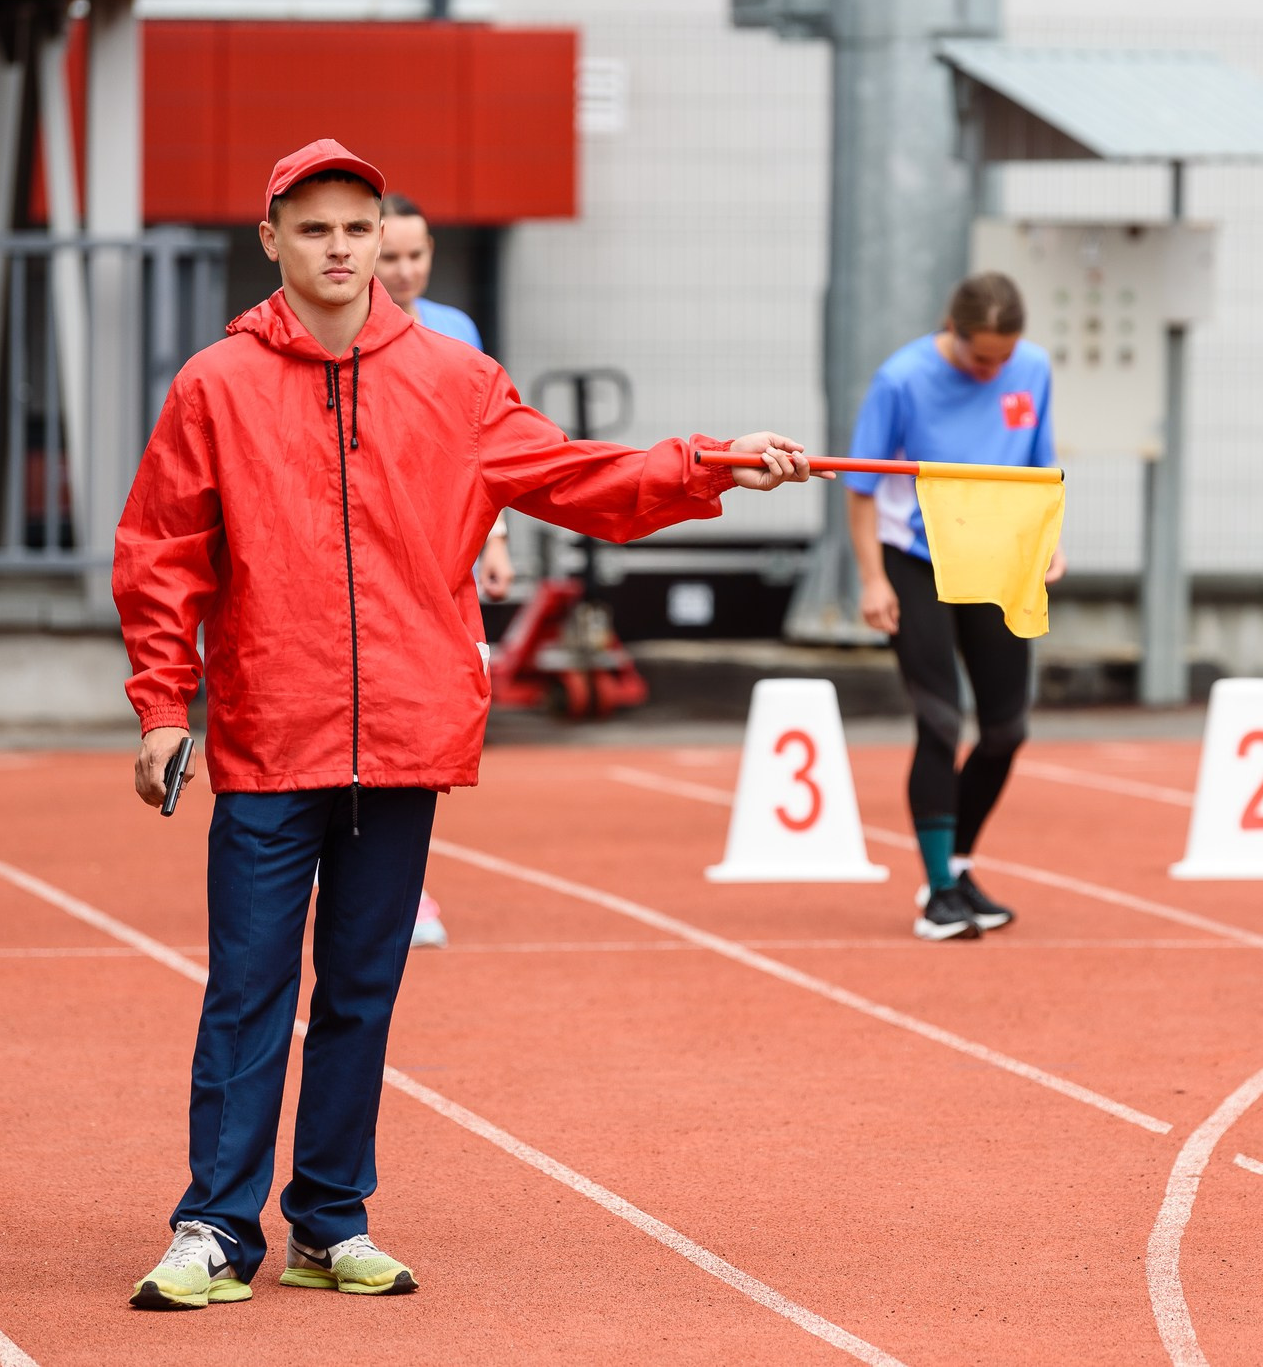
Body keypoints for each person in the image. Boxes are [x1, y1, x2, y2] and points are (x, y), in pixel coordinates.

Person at [117, 138, 814, 1311]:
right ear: (272, 240)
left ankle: (328, 1218)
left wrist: (708, 466)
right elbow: (160, 556)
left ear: (382, 240)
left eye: (358, 228)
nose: (340, 251)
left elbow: (580, 476)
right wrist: (156, 707)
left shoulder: (452, 379)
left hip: (404, 732)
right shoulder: (213, 386)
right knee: (247, 985)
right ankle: (214, 1224)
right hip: (267, 734)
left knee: (360, 988)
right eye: (316, 229)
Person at [845, 273, 1061, 943]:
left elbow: (1040, 468)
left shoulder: (1033, 369)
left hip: (997, 559)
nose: (992, 370)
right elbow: (860, 486)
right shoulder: (900, 380)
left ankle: (959, 864)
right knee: (940, 721)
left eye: (1002, 358)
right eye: (980, 359)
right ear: (953, 330)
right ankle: (938, 890)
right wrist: (872, 581)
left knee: (1007, 729)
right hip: (915, 561)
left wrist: (1051, 547)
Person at [373, 190, 510, 949]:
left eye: (415, 255)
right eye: (389, 256)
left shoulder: (456, 332)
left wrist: (497, 542)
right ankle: (373, 881)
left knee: (429, 720)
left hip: (444, 559)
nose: (403, 270)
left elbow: (486, 449)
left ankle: (405, 885)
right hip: (375, 559)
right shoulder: (344, 329)